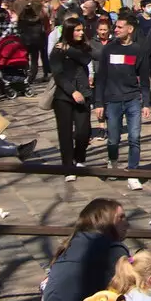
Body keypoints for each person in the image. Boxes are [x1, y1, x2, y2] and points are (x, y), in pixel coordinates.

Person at [94, 15, 151, 191]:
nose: (115, 30)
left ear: (130, 29)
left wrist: (146, 102)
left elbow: (144, 79)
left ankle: (133, 172)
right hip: (112, 100)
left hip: (133, 99)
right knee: (113, 139)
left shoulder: (138, 50)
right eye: (115, 27)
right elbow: (101, 77)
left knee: (134, 137)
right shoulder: (109, 50)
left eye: (119, 27)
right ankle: (113, 162)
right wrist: (99, 103)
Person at [49, 19, 94, 180]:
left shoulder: (83, 47)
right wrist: (72, 91)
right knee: (65, 133)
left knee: (83, 131)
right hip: (64, 97)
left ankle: (79, 157)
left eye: (82, 29)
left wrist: (69, 50)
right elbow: (58, 75)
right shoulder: (57, 50)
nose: (81, 33)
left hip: (84, 94)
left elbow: (86, 59)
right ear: (68, 31)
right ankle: (68, 166)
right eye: (77, 30)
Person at [18, 0, 50, 84]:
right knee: (34, 60)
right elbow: (43, 29)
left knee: (24, 59)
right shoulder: (39, 18)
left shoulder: (22, 19)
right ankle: (32, 77)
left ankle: (25, 76)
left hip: (25, 41)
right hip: (37, 41)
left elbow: (19, 29)